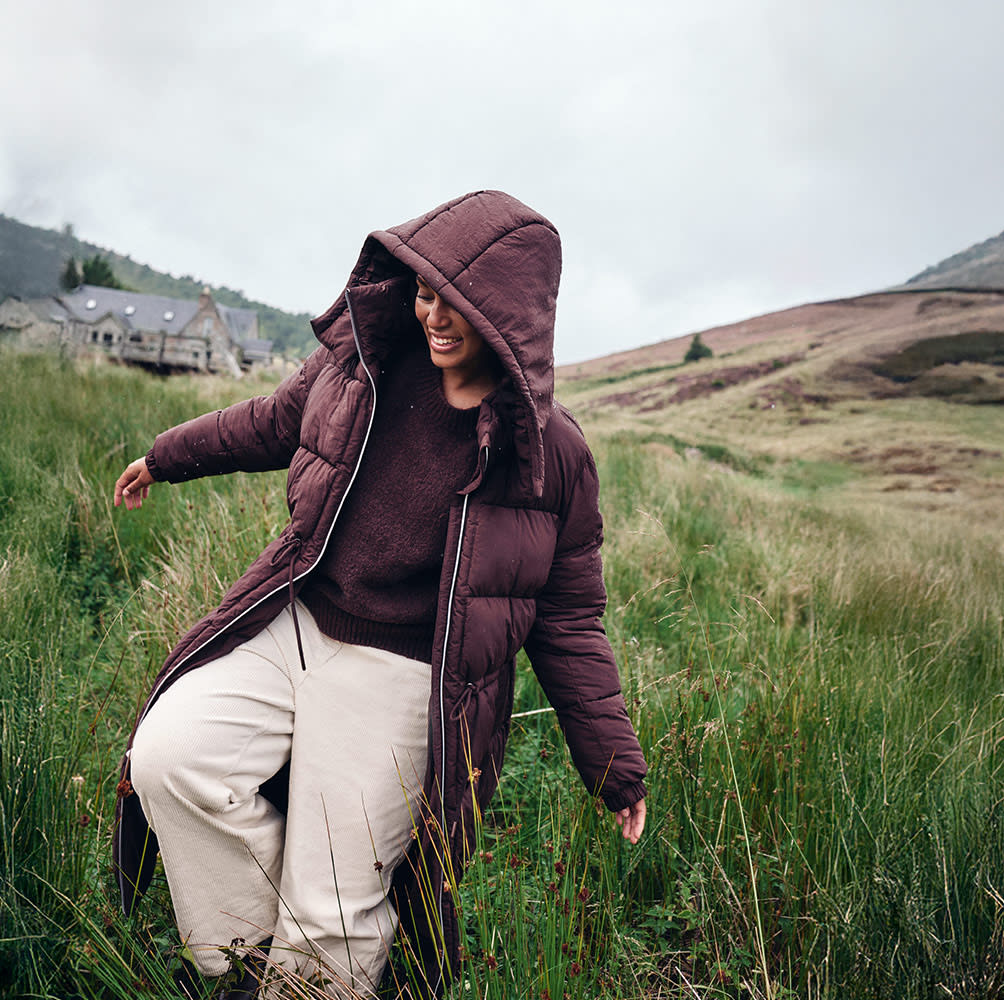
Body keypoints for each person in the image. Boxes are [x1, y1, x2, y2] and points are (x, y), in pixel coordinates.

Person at [111, 191, 648, 999]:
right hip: (294, 621)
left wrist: (612, 765)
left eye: (453, 301)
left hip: (402, 671)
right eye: (424, 290)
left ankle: (316, 969)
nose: (431, 312)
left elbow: (569, 619)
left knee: (333, 903)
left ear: (509, 315)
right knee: (170, 761)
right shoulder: (366, 365)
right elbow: (270, 421)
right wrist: (165, 456)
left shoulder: (549, 455)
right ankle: (248, 967)